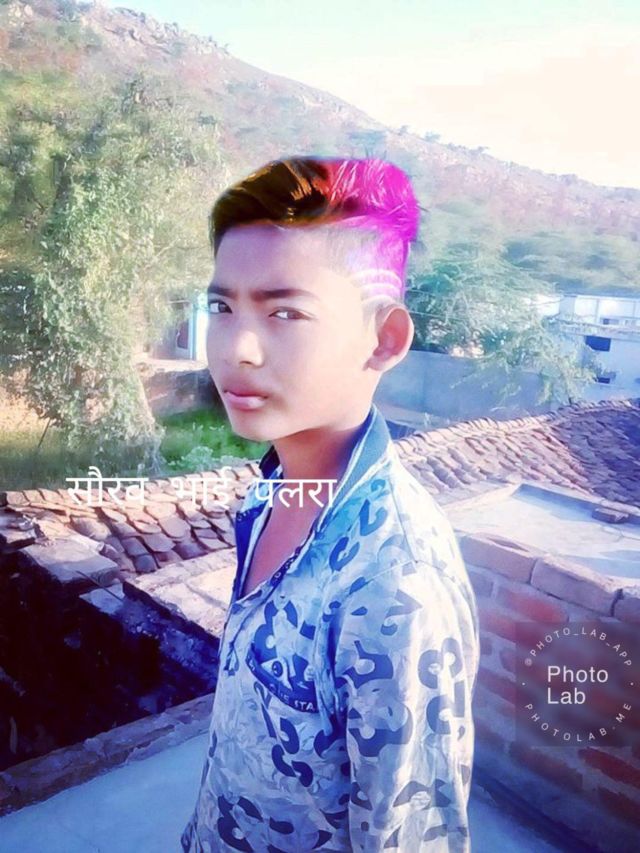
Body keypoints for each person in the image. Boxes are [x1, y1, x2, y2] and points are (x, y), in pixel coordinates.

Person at [180, 156, 480, 852]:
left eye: (285, 312)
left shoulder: (396, 586)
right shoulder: (272, 489)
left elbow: (410, 839)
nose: (236, 349)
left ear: (384, 339)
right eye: (222, 308)